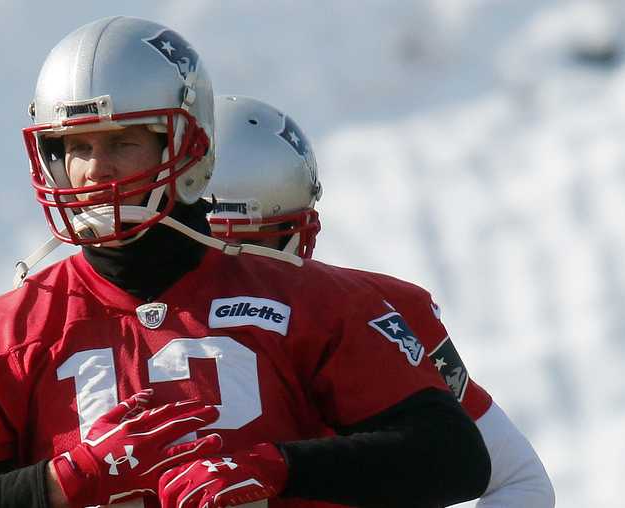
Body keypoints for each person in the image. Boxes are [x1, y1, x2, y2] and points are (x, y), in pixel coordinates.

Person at [0, 16, 490, 508]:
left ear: (190, 144)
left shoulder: (313, 303)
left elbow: (452, 457)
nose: (95, 171)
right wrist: (65, 482)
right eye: (76, 147)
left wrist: (274, 468)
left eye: (122, 141)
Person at [204, 94, 555, 507]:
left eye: (264, 241)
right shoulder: (119, 320)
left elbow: (520, 480)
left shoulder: (378, 307)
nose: (255, 268)